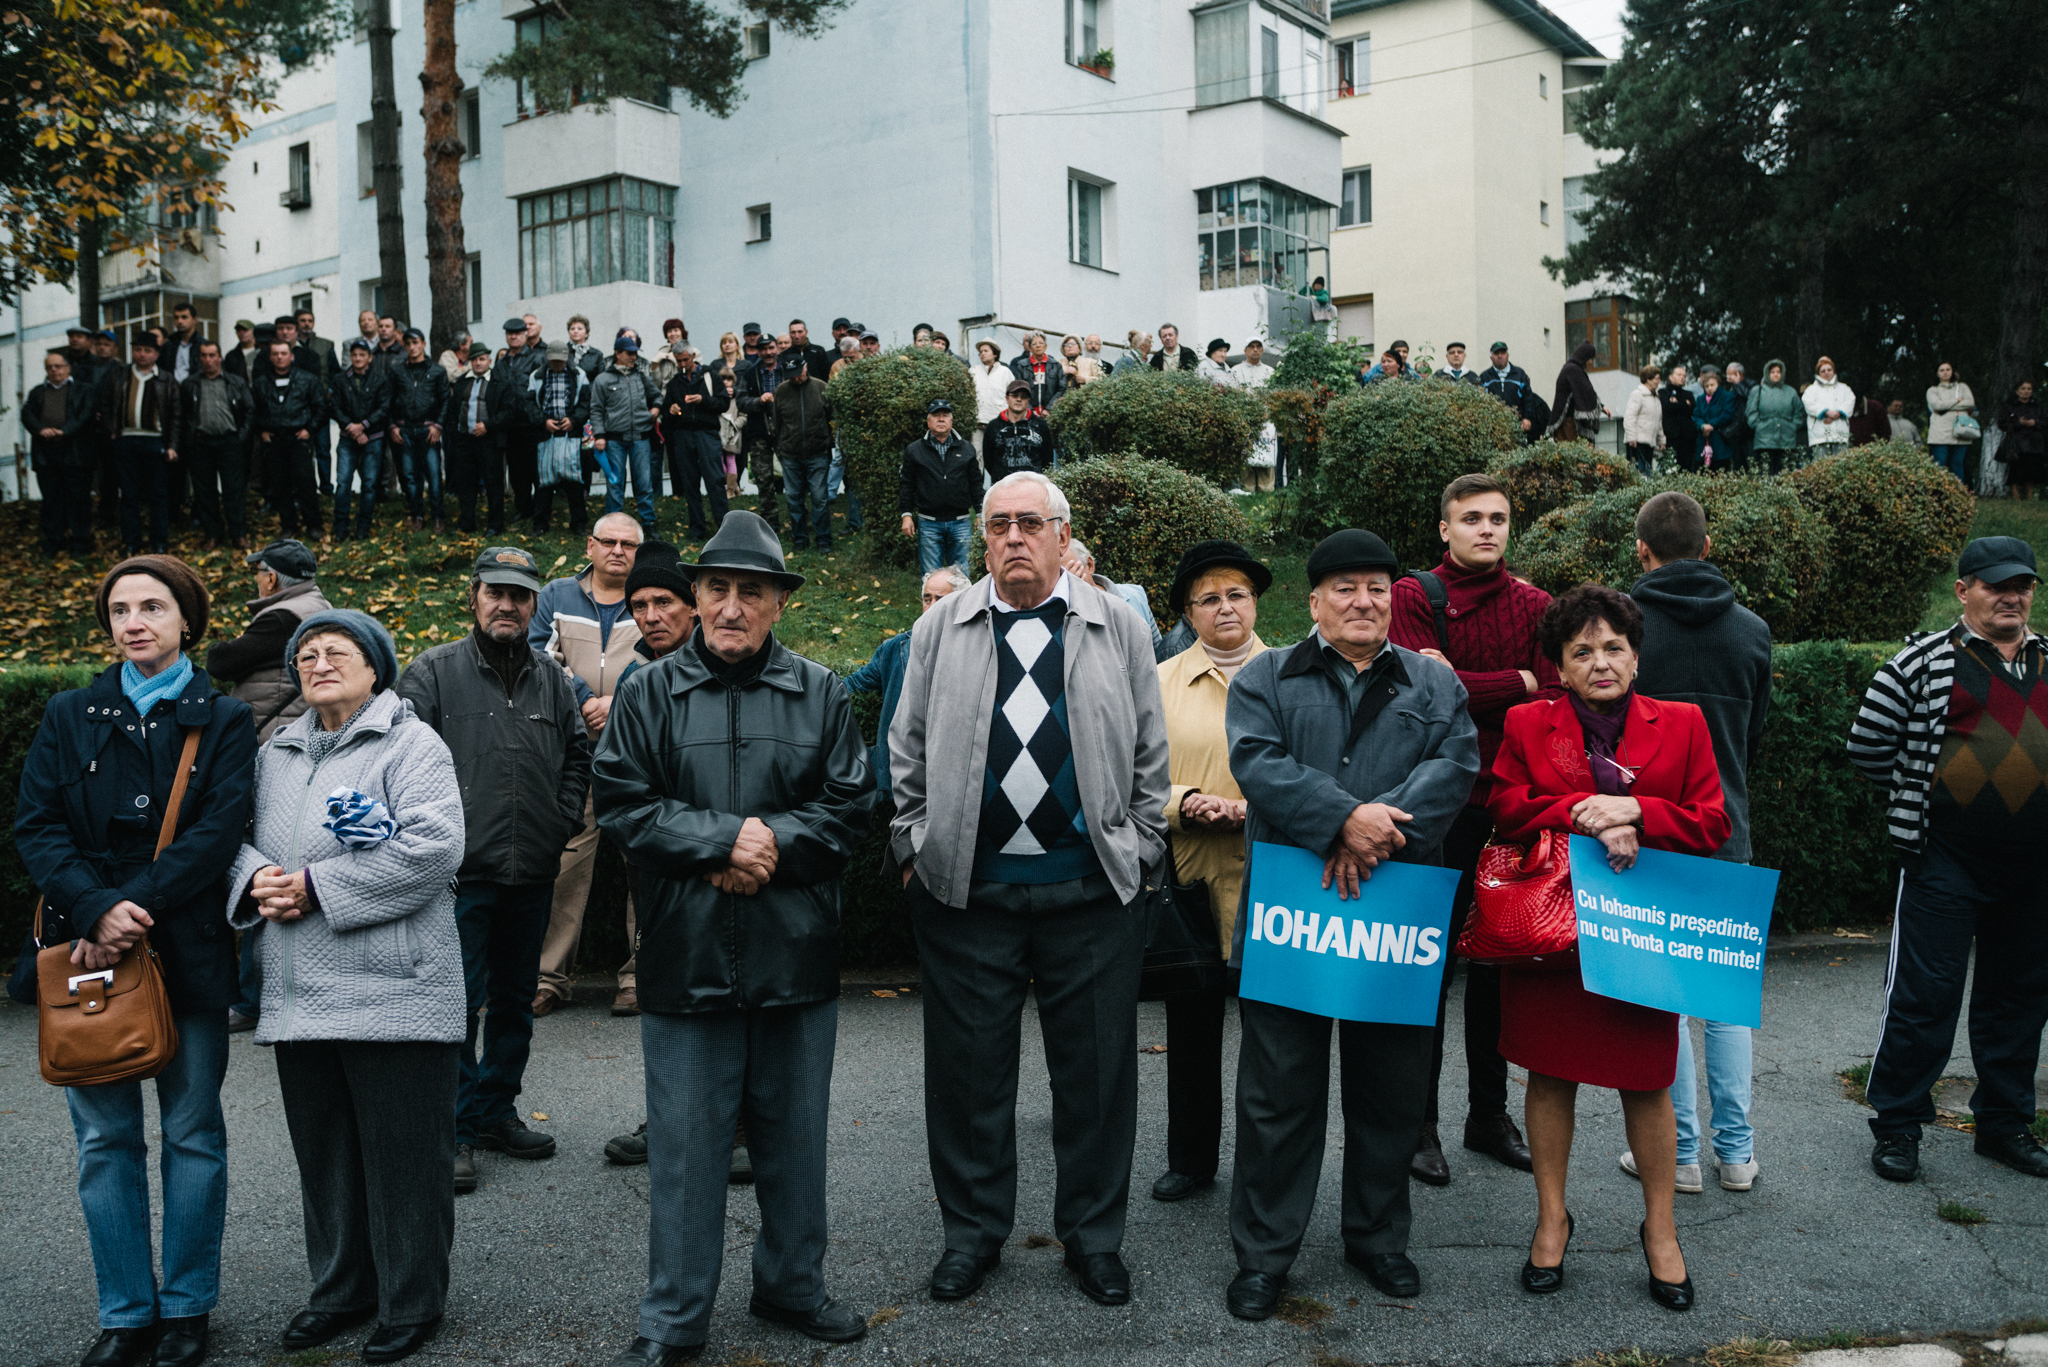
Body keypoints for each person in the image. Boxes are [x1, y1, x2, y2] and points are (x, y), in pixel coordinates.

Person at [593, 513, 875, 1364]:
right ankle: (674, 1315)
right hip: (684, 954)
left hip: (795, 950)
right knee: (684, 1150)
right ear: (696, 595)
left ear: (779, 603)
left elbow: (850, 807)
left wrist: (765, 845)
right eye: (717, 588)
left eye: (752, 591)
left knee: (794, 1138)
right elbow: (624, 802)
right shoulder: (647, 692)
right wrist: (721, 841)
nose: (731, 606)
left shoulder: (821, 691)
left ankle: (792, 1286)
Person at [889, 471, 1168, 1309]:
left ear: (1062, 534)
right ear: (983, 538)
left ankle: (1094, 1240)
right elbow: (906, 746)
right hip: (968, 894)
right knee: (969, 1078)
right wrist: (913, 845)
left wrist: (1142, 849)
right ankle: (972, 1236)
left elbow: (1151, 752)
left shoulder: (1118, 625)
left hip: (1092, 891)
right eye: (999, 524)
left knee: (1097, 1078)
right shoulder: (940, 627)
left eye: (1030, 523)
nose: (1013, 537)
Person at [1219, 530, 1480, 1320]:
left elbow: (1455, 767)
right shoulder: (1265, 677)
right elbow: (1259, 763)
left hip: (1397, 917)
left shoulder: (1433, 683)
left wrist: (1371, 830)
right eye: (1345, 587)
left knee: (1390, 1088)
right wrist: (1342, 820)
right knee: (1277, 1094)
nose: (1363, 601)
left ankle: (1378, 1238)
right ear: (1314, 600)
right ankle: (1265, 1255)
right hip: (1292, 918)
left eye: (1376, 587)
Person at [15, 556, 256, 1367]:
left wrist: (131, 908)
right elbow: (37, 823)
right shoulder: (68, 712)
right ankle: (126, 1314)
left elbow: (218, 831)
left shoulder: (224, 718)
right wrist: (94, 908)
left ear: (188, 619)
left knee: (193, 1133)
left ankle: (187, 1309)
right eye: (120, 610)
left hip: (185, 948)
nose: (134, 621)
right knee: (104, 1141)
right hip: (86, 950)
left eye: (152, 606)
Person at [225, 608, 465, 1367]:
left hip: (397, 988)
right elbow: (233, 839)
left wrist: (316, 887)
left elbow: (434, 849)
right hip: (300, 990)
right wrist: (257, 878)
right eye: (306, 655)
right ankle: (340, 1291)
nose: (318, 662)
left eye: (337, 651)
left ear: (375, 667)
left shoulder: (411, 742)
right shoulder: (275, 752)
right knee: (326, 1158)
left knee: (404, 1161)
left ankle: (410, 1302)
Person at [1488, 584, 1728, 1311]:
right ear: (1560, 666)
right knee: (1549, 1075)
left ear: (1636, 655)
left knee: (1647, 1080)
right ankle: (1551, 1219)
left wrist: (1638, 810)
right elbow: (1505, 806)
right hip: (1551, 931)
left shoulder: (1683, 723)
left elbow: (1712, 822)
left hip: (1642, 932)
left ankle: (1661, 1228)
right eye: (1582, 651)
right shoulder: (1526, 721)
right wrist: (1587, 813)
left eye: (1614, 647)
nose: (1601, 662)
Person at [1847, 536, 2048, 1183]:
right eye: (1996, 585)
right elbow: (1868, 745)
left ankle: (2005, 1125)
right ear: (1964, 591)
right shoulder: (1922, 661)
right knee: (1923, 998)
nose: (2011, 597)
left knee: (2018, 1000)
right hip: (1944, 860)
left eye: (2022, 585)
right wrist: (1920, 793)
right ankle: (1898, 1126)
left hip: (2035, 869)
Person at [398, 546, 592, 1193]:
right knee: (455, 1006)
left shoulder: (554, 679)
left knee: (515, 1001)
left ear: (534, 604)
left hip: (532, 870)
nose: (507, 605)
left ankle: (494, 1111)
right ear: (474, 598)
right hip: (457, 875)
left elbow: (578, 756)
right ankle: (451, 1128)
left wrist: (560, 822)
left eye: (519, 595)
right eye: (495, 593)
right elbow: (399, 762)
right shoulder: (432, 672)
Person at [1382, 474, 1555, 1184]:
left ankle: (1488, 1115)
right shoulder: (1412, 596)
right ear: (1445, 528)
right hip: (1435, 809)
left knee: (1495, 969)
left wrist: (1475, 682)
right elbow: (1426, 693)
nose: (1487, 529)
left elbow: (1553, 696)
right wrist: (1516, 681)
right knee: (1426, 968)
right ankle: (1416, 1122)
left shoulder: (1538, 606)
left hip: (1510, 807)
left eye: (1499, 519)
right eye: (1473, 518)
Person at [1618, 492, 1772, 1195]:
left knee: (1665, 1003)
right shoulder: (1752, 631)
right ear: (1707, 547)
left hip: (1646, 832)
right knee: (1726, 1001)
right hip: (1726, 828)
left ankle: (1677, 1153)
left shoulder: (1625, 629)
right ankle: (1736, 1154)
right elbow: (1753, 735)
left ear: (1641, 549)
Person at [1148, 540, 1272, 1204]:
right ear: (1189, 613)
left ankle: (1267, 1162)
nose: (1226, 607)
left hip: (1274, 881)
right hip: (1190, 879)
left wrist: (1259, 808)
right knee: (1192, 1031)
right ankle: (1191, 1159)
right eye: (1209, 598)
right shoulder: (1159, 681)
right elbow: (1133, 778)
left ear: (1255, 604)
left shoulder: (1289, 673)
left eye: (1237, 594)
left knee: (1273, 1040)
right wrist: (1185, 802)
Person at [531, 513, 646, 1018]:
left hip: (636, 757)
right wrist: (583, 698)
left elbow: (667, 653)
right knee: (562, 869)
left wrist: (620, 701)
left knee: (645, 868)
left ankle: (641, 977)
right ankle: (547, 978)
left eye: (629, 544)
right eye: (609, 541)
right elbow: (538, 653)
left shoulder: (649, 597)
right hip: (574, 756)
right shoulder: (556, 594)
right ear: (590, 545)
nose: (618, 551)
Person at [845, 567, 968, 806]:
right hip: (902, 776)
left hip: (954, 778)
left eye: (941, 599)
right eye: (927, 599)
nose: (931, 607)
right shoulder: (895, 648)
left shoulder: (977, 648)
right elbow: (850, 686)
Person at [206, 539, 335, 745]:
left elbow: (219, 662)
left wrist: (240, 643)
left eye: (256, 572)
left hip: (271, 734)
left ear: (271, 579)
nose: (256, 578)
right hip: (296, 726)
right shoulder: (319, 605)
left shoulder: (281, 619)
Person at [113, 331, 182, 556]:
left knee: (158, 494)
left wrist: (172, 445)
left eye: (147, 351)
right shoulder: (120, 375)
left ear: (156, 354)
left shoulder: (166, 379)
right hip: (126, 439)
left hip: (155, 441)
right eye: (138, 350)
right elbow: (106, 405)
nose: (141, 354)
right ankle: (131, 542)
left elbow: (176, 415)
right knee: (129, 495)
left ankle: (159, 542)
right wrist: (113, 432)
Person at [253, 335, 327, 542]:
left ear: (291, 356)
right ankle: (288, 525)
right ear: (270, 357)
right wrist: (261, 431)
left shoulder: (307, 379)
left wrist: (309, 430)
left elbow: (321, 407)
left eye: (283, 353)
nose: (279, 357)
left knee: (306, 483)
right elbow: (252, 411)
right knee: (280, 484)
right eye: (275, 354)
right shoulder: (260, 383)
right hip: (274, 439)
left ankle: (314, 525)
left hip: (298, 438)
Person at [28, 349, 100, 558]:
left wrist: (65, 431)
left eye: (58, 366)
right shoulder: (37, 392)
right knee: (52, 500)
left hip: (76, 454)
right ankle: (53, 541)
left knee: (78, 499)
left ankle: (80, 543)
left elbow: (85, 414)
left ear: (68, 368)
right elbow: (27, 414)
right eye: (49, 367)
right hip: (46, 454)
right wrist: (41, 430)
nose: (54, 370)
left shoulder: (84, 390)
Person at [898, 399, 982, 575]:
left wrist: (980, 513)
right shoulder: (914, 450)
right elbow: (907, 484)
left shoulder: (967, 449)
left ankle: (961, 596)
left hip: (960, 522)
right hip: (929, 523)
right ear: (928, 421)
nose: (941, 419)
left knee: (961, 576)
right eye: (936, 415)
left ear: (951, 420)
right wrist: (906, 515)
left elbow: (975, 482)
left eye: (945, 415)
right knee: (930, 576)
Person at [591, 337, 662, 535]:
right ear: (617, 353)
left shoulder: (641, 376)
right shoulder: (603, 379)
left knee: (644, 483)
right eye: (629, 353)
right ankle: (612, 525)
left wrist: (655, 409)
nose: (634, 357)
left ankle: (649, 522)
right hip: (614, 440)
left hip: (641, 438)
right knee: (615, 483)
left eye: (635, 353)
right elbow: (596, 410)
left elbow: (657, 395)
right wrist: (599, 435)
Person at [527, 341, 595, 536]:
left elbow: (585, 402)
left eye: (561, 361)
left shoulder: (579, 375)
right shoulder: (536, 376)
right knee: (544, 482)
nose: (557, 364)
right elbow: (529, 404)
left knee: (574, 481)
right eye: (554, 361)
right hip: (545, 434)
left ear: (567, 358)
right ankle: (540, 524)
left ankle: (579, 523)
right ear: (547, 358)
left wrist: (574, 420)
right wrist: (543, 421)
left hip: (570, 434)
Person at [662, 345, 730, 541]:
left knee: (715, 481)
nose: (682, 364)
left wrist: (703, 400)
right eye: (679, 361)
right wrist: (672, 410)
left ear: (693, 356)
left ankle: (724, 528)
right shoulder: (674, 382)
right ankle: (697, 529)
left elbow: (724, 403)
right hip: (683, 435)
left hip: (707, 433)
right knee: (690, 483)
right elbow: (666, 411)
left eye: (685, 360)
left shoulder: (710, 376)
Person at [386, 329, 451, 533]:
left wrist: (438, 426)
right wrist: (392, 426)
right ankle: (417, 515)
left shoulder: (437, 371)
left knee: (434, 475)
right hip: (405, 429)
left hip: (428, 429)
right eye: (408, 344)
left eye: (415, 343)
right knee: (410, 476)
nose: (412, 347)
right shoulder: (397, 371)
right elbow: (388, 400)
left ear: (423, 344)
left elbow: (445, 401)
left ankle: (438, 516)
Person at [771, 351, 836, 553]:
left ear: (806, 367)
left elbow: (832, 418)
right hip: (790, 454)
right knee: (793, 498)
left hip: (818, 453)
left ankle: (823, 539)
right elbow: (777, 423)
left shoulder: (821, 388)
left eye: (798, 373)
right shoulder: (781, 391)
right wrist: (781, 445)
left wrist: (827, 442)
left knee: (819, 498)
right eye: (791, 374)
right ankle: (799, 538)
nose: (796, 378)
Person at [328, 340, 392, 541]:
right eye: (354, 355)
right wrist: (352, 428)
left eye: (362, 355)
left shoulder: (380, 380)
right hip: (348, 437)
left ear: (369, 358)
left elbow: (383, 408)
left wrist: (363, 425)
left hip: (373, 438)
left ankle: (364, 525)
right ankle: (341, 526)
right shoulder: (340, 380)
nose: (358, 358)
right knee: (343, 482)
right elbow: (334, 406)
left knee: (370, 484)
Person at [444, 343, 505, 534]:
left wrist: (488, 425)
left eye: (482, 359)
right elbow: (453, 409)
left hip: (489, 441)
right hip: (464, 440)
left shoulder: (499, 382)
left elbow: (508, 411)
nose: (478, 363)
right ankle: (466, 523)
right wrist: (456, 431)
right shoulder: (462, 381)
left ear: (489, 360)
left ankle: (495, 525)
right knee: (465, 483)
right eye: (475, 360)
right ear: (469, 361)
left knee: (493, 483)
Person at [492, 318, 545, 525]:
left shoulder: (536, 358)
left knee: (536, 470)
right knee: (516, 471)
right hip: (509, 425)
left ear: (525, 335)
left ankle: (540, 511)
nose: (513, 337)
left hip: (531, 423)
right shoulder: (501, 363)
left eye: (517, 333)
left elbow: (542, 390)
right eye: (509, 334)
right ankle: (523, 509)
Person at [1063, 538, 1161, 644]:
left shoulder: (1135, 595)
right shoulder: (1065, 615)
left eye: (1074, 571)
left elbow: (1159, 650)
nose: (1068, 582)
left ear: (1090, 565)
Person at [738, 334, 787, 532]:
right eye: (763, 349)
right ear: (758, 352)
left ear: (777, 348)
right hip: (759, 431)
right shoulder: (750, 374)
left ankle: (799, 520)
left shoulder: (787, 369)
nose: (768, 352)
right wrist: (759, 401)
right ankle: (770, 524)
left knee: (793, 477)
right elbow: (741, 401)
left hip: (785, 430)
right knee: (764, 479)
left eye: (771, 348)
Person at [983, 380, 1053, 478]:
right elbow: (988, 460)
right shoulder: (993, 427)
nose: (1019, 399)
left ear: (1028, 401)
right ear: (1007, 398)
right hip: (1003, 484)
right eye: (1014, 396)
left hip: (1032, 483)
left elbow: (1047, 459)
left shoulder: (1041, 426)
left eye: (1023, 396)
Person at [1746, 360, 1802, 474]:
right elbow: (1751, 412)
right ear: (1767, 373)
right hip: (1764, 440)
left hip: (1786, 439)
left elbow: (1798, 411)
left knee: (1785, 474)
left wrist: (1793, 427)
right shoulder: (1758, 390)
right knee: (1766, 473)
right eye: (1772, 372)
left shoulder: (1790, 391)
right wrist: (1757, 426)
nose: (1776, 374)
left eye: (1778, 372)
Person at [1925, 361, 1977, 484]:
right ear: (1937, 373)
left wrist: (1946, 406)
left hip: (1961, 431)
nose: (1945, 372)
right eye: (1942, 370)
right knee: (1939, 464)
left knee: (1957, 465)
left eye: (1948, 369)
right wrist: (1957, 401)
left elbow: (1970, 403)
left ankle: (1958, 493)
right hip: (1940, 434)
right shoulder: (1933, 390)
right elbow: (1937, 405)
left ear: (1952, 371)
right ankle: (1938, 491)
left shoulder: (1962, 387)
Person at [1548, 341, 1609, 442]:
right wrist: (1601, 407)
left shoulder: (1570, 368)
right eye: (1590, 358)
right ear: (1584, 357)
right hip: (1569, 422)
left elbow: (1584, 392)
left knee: (1565, 449)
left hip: (1564, 421)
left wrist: (1601, 406)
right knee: (1574, 449)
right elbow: (1587, 392)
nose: (1591, 362)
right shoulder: (1573, 370)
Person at [1997, 380, 2044, 500]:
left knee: (2031, 470)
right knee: (2015, 469)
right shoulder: (2010, 405)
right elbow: (2002, 424)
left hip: (2034, 442)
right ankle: (2016, 497)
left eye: (2029, 389)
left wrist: (2035, 423)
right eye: (2023, 388)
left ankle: (2030, 497)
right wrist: (2018, 423)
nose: (2026, 391)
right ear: (2017, 391)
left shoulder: (2037, 405)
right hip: (2016, 442)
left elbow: (2045, 421)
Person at [1481, 343, 1537, 440]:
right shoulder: (1484, 377)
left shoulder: (1519, 374)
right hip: (1493, 428)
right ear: (1491, 357)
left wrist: (1527, 418)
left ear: (1507, 355)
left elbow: (1528, 398)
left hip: (1518, 427)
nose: (1500, 356)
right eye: (1496, 353)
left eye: (1503, 352)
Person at [1802, 356, 1854, 459]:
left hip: (1840, 435)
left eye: (1829, 370)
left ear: (1833, 371)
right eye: (1823, 371)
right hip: (1819, 437)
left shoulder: (1844, 388)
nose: (1827, 373)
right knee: (1821, 465)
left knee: (1842, 464)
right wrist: (1826, 413)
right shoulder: (1811, 390)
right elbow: (1809, 404)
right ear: (1818, 373)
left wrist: (1838, 414)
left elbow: (1850, 401)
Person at [1009, 332, 1066, 415]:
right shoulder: (1022, 365)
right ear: (1030, 348)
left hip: (1051, 413)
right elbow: (1019, 389)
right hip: (1028, 413)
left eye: (1041, 343)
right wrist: (1030, 410)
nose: (1038, 346)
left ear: (1046, 346)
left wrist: (1049, 408)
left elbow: (1062, 389)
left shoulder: (1055, 365)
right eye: (1034, 344)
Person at [971, 341, 1011, 458]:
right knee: (977, 454)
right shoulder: (973, 371)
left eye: (986, 351)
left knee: (998, 454)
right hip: (977, 423)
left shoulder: (1005, 372)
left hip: (999, 423)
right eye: (980, 352)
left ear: (995, 354)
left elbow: (1012, 396)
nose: (982, 354)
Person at [1692, 368, 1737, 470]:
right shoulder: (1700, 399)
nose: (1709, 388)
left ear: (1718, 384)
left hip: (1721, 442)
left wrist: (1711, 425)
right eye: (1706, 386)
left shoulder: (1727, 396)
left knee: (1721, 472)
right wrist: (1702, 426)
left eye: (1712, 385)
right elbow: (1696, 416)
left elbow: (1727, 415)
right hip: (1704, 442)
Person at [1622, 366, 1664, 475]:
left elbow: (1658, 422)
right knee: (1638, 474)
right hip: (1636, 443)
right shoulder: (1637, 394)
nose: (1659, 381)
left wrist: (1661, 441)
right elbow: (1629, 417)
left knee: (1647, 473)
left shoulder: (1656, 398)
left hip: (1649, 443)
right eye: (1656, 378)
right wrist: (1631, 437)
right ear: (1648, 379)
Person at [1659, 364, 1698, 471]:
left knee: (1687, 468)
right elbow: (1666, 407)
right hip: (1671, 437)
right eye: (1679, 375)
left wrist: (1677, 403)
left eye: (1684, 376)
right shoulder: (1663, 392)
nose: (1682, 377)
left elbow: (1692, 409)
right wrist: (1684, 404)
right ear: (1671, 377)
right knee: (1671, 467)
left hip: (1687, 438)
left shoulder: (1688, 394)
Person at [1720, 362, 1754, 470]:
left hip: (1749, 432)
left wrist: (1738, 383)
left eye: (1731, 374)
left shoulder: (1751, 384)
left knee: (1751, 464)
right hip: (1736, 433)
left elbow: (1748, 396)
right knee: (1738, 466)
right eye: (1727, 374)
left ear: (1739, 374)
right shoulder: (1731, 388)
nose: (1728, 377)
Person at [568, 314, 607, 380]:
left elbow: (602, 379)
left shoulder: (596, 354)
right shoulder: (564, 351)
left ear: (587, 333)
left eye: (580, 329)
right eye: (572, 329)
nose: (575, 331)